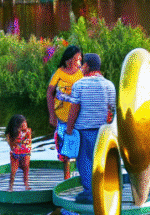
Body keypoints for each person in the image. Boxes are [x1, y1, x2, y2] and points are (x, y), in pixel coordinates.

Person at [58, 52, 116, 203]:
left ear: (87, 66)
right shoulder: (109, 86)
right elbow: (111, 111)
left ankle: (89, 193)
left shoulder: (80, 85)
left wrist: (69, 130)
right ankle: (102, 191)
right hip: (104, 133)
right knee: (100, 161)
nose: (81, 67)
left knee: (84, 162)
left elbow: (74, 110)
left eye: (82, 65)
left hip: (84, 131)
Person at [47, 44, 83, 179]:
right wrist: (51, 115)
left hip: (78, 118)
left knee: (79, 146)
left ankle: (81, 177)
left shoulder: (81, 73)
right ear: (68, 59)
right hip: (61, 117)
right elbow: (49, 92)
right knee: (64, 148)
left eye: (79, 59)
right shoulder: (59, 72)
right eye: (75, 58)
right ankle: (66, 178)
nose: (77, 61)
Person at [5, 113, 31, 190]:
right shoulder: (11, 134)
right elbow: (12, 146)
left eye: (25, 125)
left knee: (26, 168)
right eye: (22, 126)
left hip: (25, 152)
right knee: (13, 171)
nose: (24, 127)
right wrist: (18, 139)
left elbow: (28, 142)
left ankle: (26, 185)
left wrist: (24, 142)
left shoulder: (27, 131)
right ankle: (11, 187)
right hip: (15, 153)